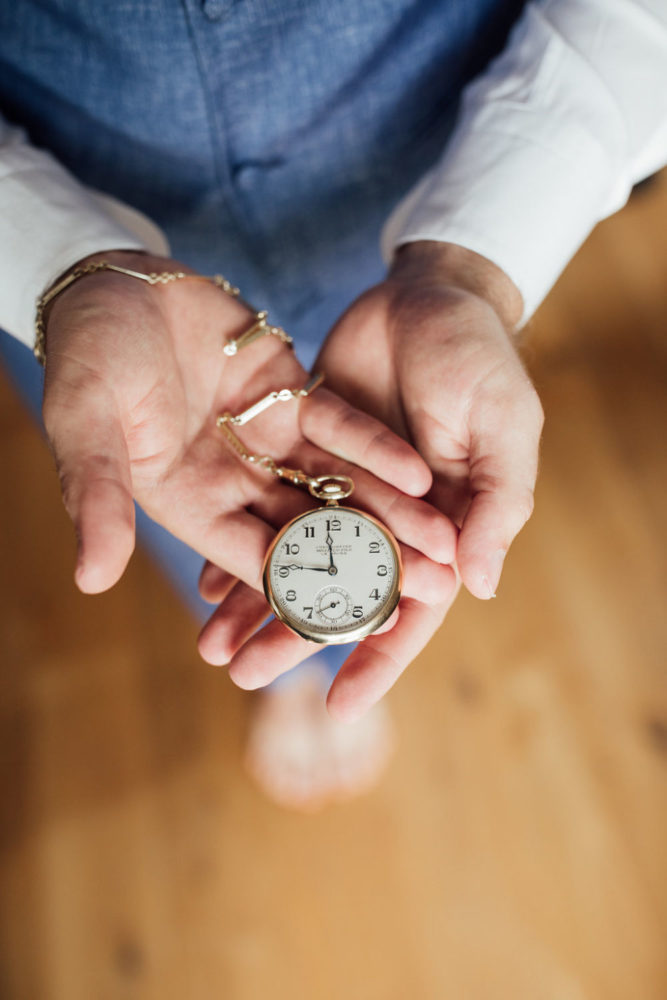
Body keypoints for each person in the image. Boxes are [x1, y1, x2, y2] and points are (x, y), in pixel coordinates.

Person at [1, 0, 665, 808]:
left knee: (250, 468)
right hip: (88, 215)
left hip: (423, 181)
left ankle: (321, 652)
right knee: (173, 474)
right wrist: (49, 261)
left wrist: (466, 268)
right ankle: (299, 667)